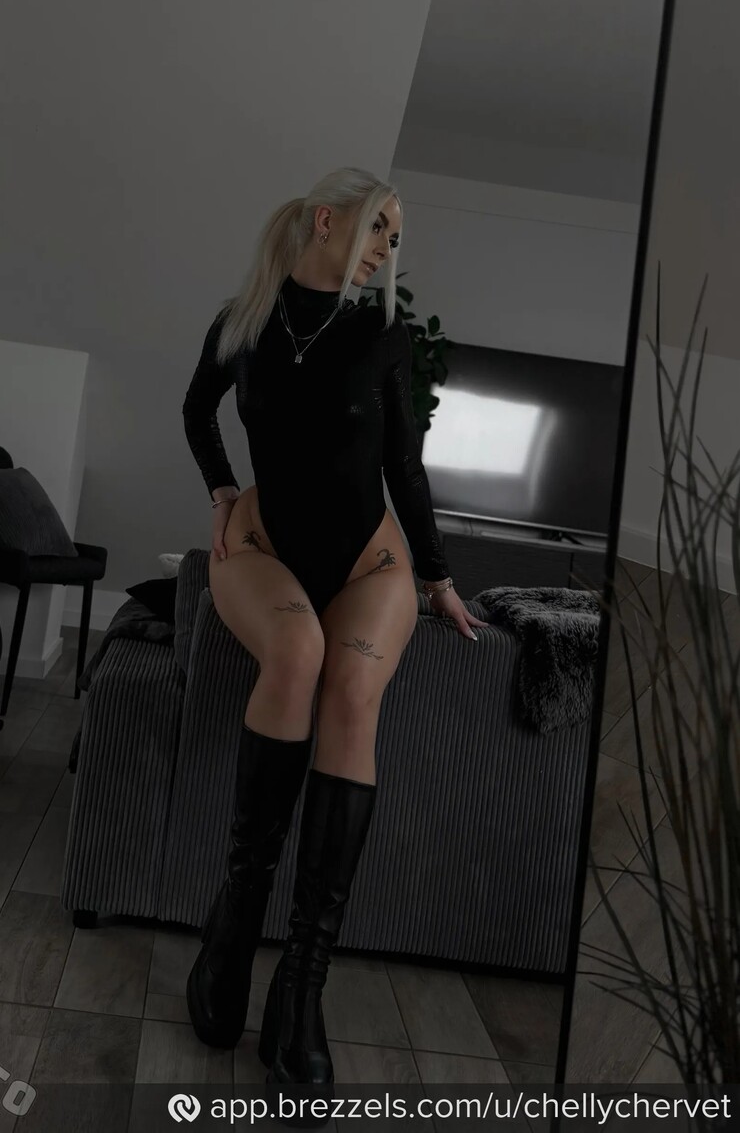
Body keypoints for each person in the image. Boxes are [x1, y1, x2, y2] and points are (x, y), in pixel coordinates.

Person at [181, 166, 489, 1086]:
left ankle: (301, 982)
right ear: (328, 220)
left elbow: (404, 464)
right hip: (265, 545)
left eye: (397, 237)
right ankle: (234, 926)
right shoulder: (241, 324)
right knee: (297, 650)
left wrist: (437, 575)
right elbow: (196, 411)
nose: (388, 250)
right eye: (380, 228)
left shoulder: (382, 337)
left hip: (368, 561)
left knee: (352, 688)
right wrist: (223, 491)